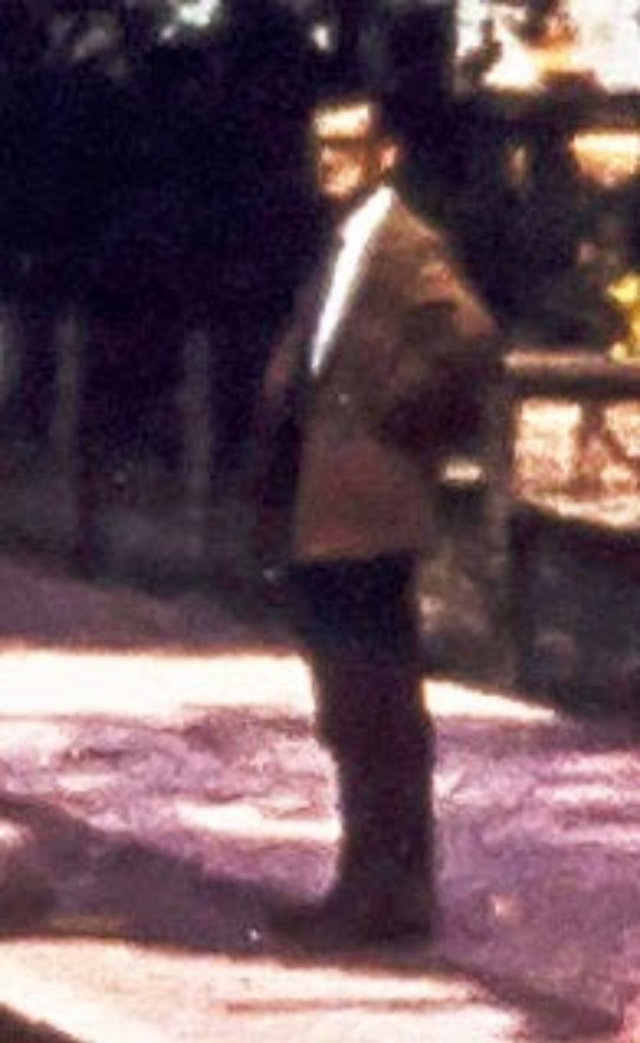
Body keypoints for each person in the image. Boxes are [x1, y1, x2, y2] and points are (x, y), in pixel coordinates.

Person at [250, 94, 502, 947]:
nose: (330, 160)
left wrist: (387, 419)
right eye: (321, 145)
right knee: (350, 709)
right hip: (327, 516)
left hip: (370, 515)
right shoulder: (343, 242)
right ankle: (366, 886)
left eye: (348, 145)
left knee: (377, 707)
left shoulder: (405, 245)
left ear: (386, 154)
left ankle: (392, 894)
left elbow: (470, 341)